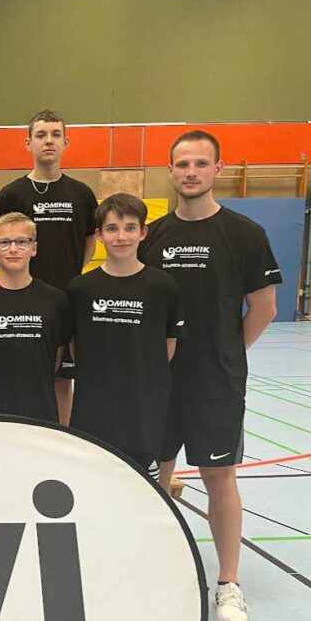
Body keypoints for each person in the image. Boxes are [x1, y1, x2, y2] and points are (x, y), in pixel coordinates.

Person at [139, 130, 281, 621]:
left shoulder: (244, 234)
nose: (191, 172)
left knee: (219, 476)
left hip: (216, 381)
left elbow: (264, 308)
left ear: (218, 169)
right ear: (170, 171)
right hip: (159, 378)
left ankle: (228, 582)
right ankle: (153, 565)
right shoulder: (151, 235)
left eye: (201, 163)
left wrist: (225, 354)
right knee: (154, 472)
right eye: (182, 164)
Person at [67, 193, 185, 476]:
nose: (121, 236)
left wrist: (144, 376)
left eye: (130, 228)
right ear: (99, 235)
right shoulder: (80, 288)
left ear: (143, 233)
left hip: (144, 406)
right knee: (94, 481)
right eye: (112, 228)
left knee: (142, 483)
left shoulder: (163, 286)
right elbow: (74, 346)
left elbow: (168, 346)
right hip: (94, 405)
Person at [0, 110, 97, 424]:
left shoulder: (81, 194)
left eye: (55, 135)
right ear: (28, 143)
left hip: (65, 300)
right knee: (20, 372)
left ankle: (60, 436)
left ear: (66, 142)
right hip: (21, 301)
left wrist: (70, 274)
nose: (48, 141)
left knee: (62, 377)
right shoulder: (12, 194)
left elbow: (89, 243)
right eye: (40, 135)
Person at [0, 213, 71, 422]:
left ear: (34, 248)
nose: (13, 249)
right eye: (4, 242)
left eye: (22, 241)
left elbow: (55, 358)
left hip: (39, 411)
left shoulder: (56, 301)